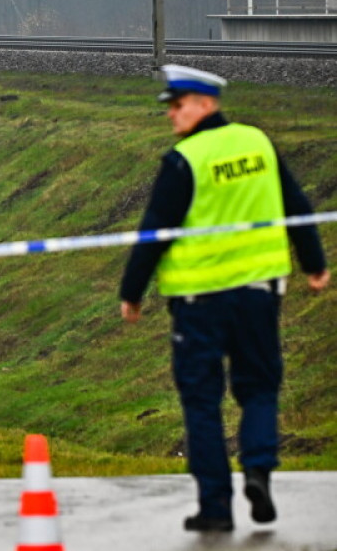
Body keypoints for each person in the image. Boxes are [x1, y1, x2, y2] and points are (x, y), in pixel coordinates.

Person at [119, 65, 329, 533]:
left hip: (199, 304)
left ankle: (214, 506)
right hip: (259, 294)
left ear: (206, 104)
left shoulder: (184, 160)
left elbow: (155, 231)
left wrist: (131, 292)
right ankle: (258, 470)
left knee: (201, 400)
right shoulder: (258, 143)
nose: (172, 115)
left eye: (178, 105)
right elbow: (296, 205)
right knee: (258, 387)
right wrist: (315, 263)